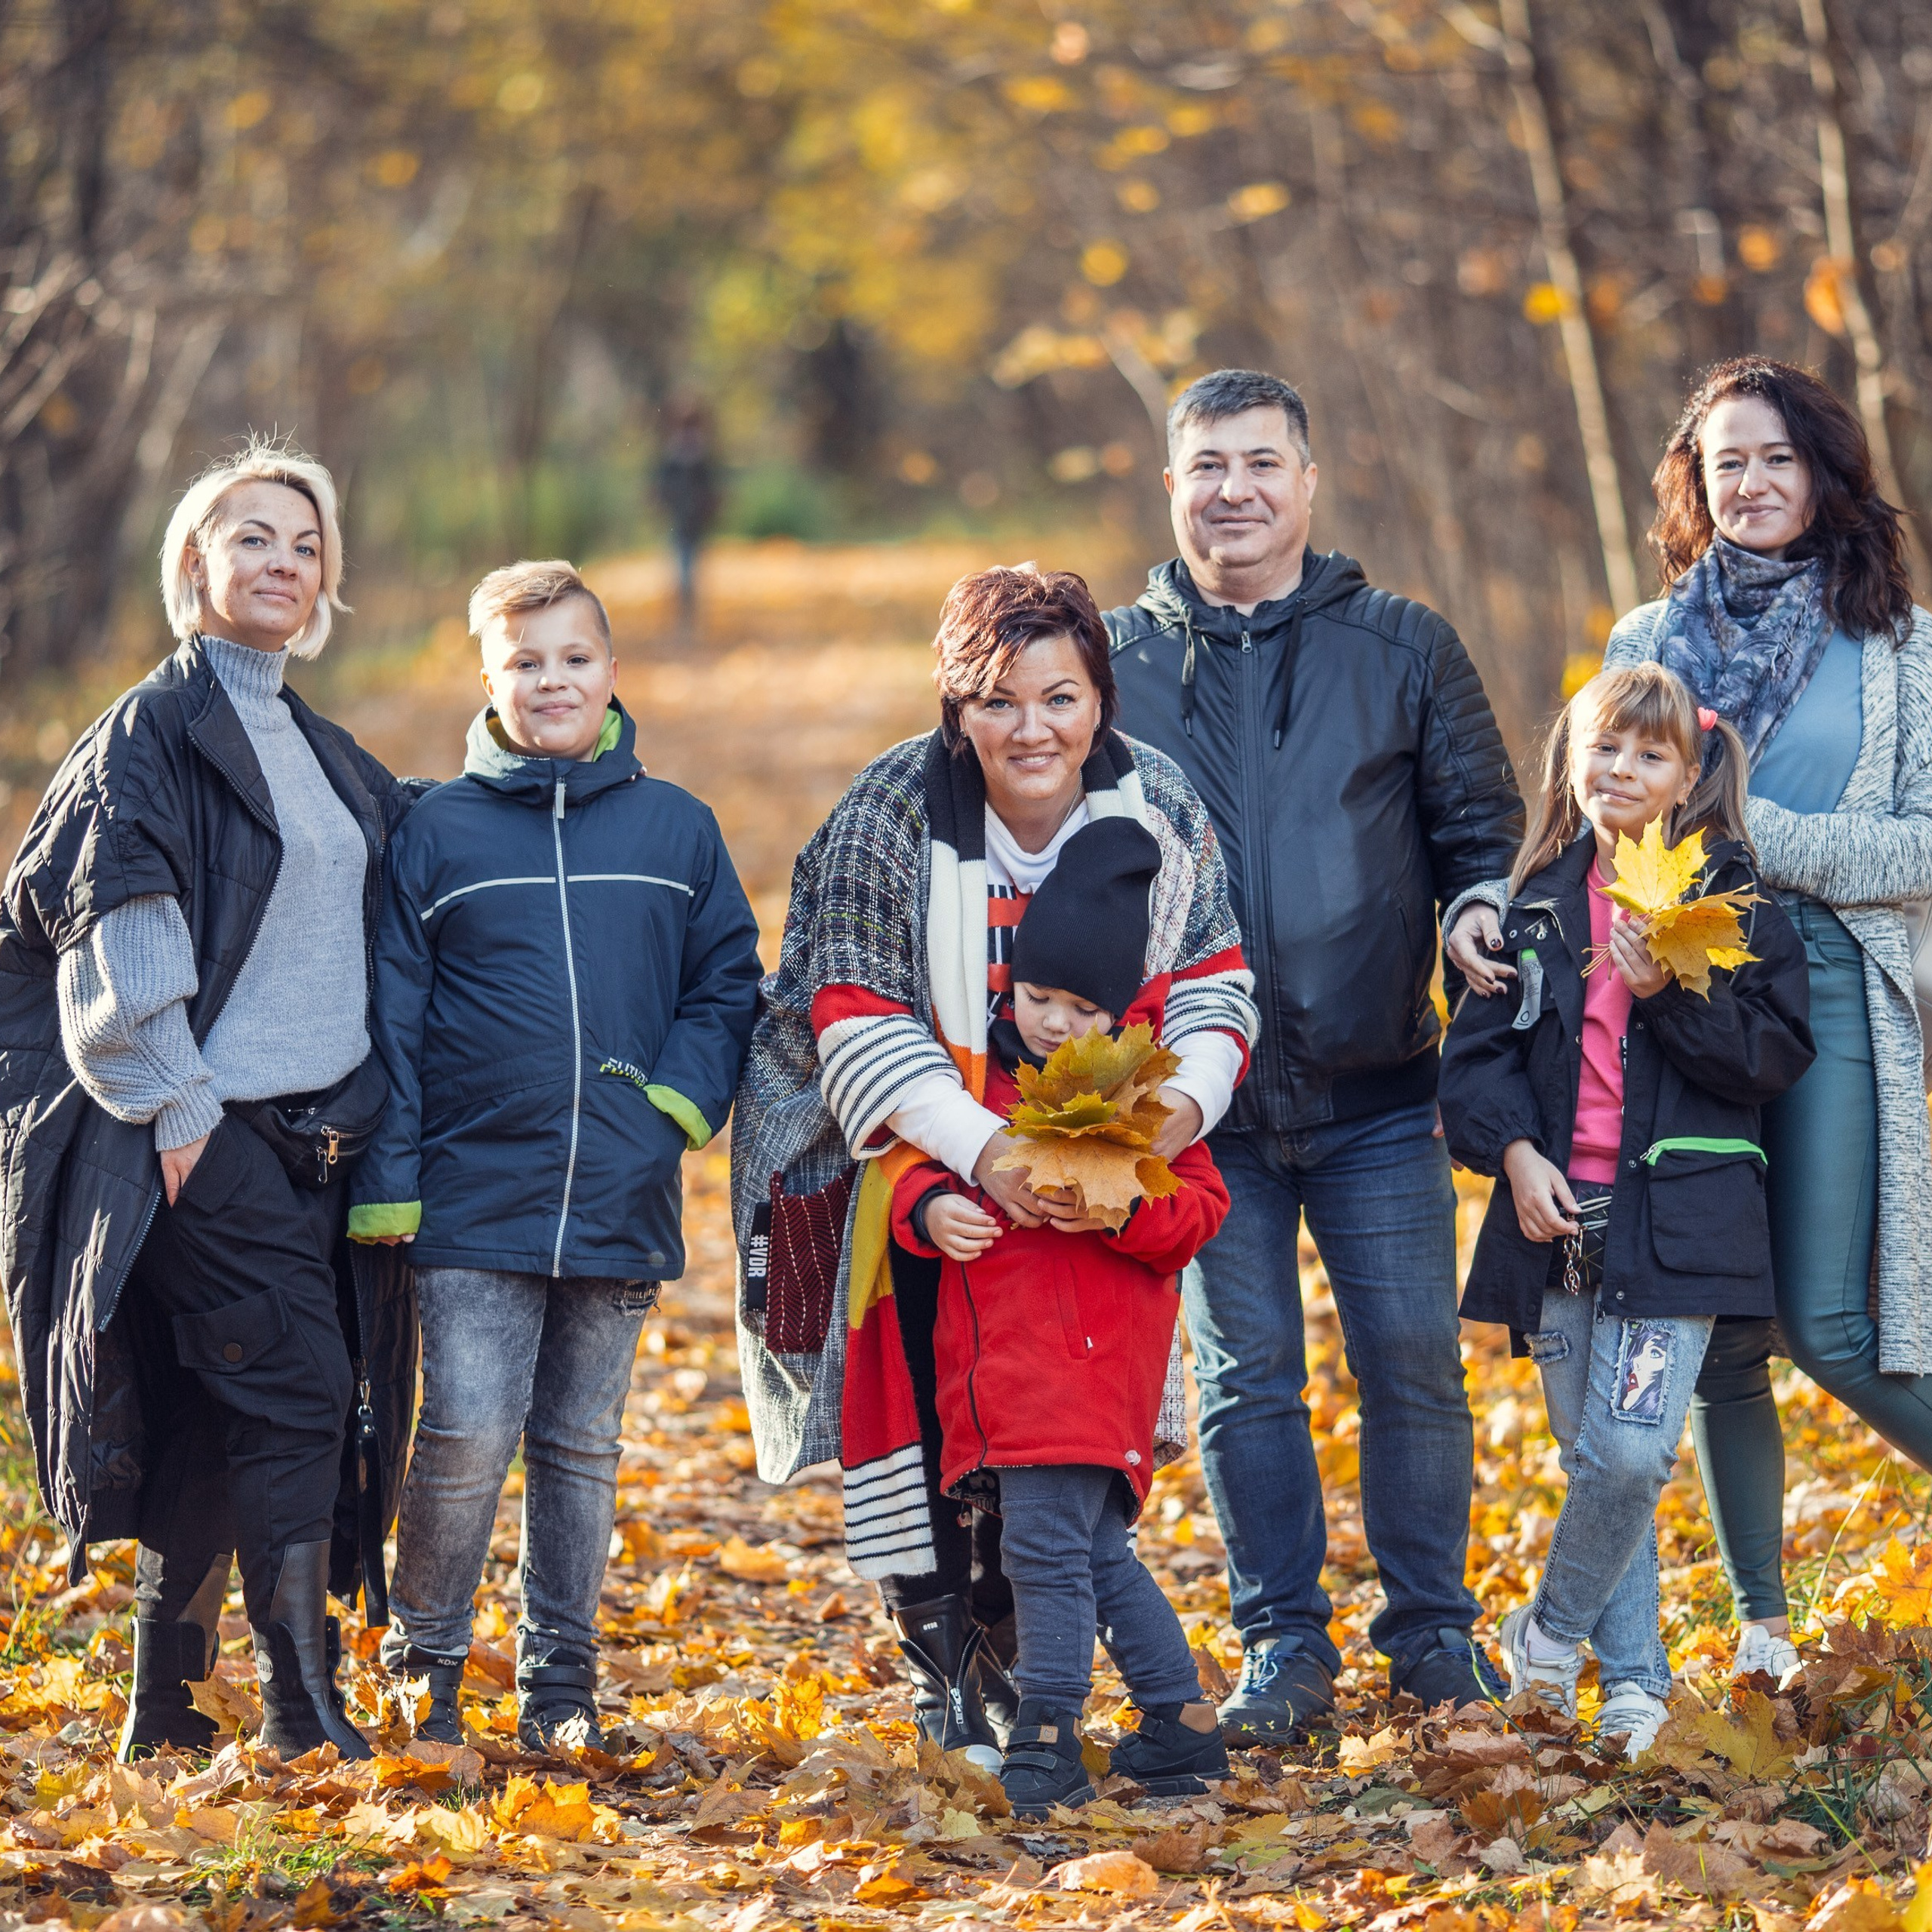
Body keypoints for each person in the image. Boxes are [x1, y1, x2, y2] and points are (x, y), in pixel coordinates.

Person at [1447, 358, 1932, 1681]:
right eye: (1728, 462)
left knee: (1830, 1328)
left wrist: (1754, 836)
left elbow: (1926, 844)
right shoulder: (1646, 644)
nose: (1755, 483)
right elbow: (1575, 823)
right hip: (1660, 1013)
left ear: (1825, 472)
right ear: (1695, 481)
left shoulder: (1896, 646)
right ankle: (1763, 1628)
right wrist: (1481, 908)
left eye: (1778, 457)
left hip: (1817, 993)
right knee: (1720, 1331)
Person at [731, 565, 1258, 1767]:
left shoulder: (1156, 806)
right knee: (922, 1413)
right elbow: (852, 1016)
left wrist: (1179, 1104)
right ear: (957, 707)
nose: (1036, 729)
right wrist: (983, 1156)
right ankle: (946, 1675)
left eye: (1062, 698)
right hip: (905, 1149)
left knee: (1051, 1441)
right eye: (1002, 702)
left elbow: (1215, 981)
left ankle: (1027, 1667)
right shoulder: (890, 814)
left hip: (1096, 1174)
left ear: (1100, 699)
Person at [1106, 368, 1524, 1737]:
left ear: (1308, 479)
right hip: (1194, 1104)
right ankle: (1283, 1646)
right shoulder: (1110, 664)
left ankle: (1432, 1635)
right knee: (1247, 1381)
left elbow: (1482, 836)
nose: (1235, 490)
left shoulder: (1403, 645)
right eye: (1208, 467)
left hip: (1376, 1088)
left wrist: (1473, 912)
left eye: (1261, 464)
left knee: (1409, 1357)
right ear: (1171, 488)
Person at [0, 438, 422, 1761]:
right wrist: (174, 1105)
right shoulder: (150, 731)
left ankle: (163, 1712)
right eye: (253, 537)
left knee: (214, 1416)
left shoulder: (320, 744)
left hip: (319, 1144)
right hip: (203, 1135)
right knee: (302, 1396)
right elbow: (113, 922)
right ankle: (302, 1712)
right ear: (194, 561)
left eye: (304, 545)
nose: (282, 563)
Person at [349, 560, 761, 1751]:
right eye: (525, 663)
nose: (552, 682)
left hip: (619, 1191)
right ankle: (421, 1662)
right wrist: (391, 1191)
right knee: (468, 1429)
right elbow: (394, 1019)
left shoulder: (674, 827)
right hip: (473, 1197)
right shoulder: (436, 833)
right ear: (487, 678)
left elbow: (725, 977)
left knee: (580, 1448)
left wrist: (671, 1112)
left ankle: (562, 1687)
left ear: (612, 672)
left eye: (574, 659)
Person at [1440, 663, 1811, 1755]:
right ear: (1571, 757)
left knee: (1632, 1455)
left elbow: (1774, 1055)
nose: (1625, 770)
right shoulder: (1538, 906)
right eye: (1606, 747)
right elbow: (1474, 1066)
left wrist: (1670, 998)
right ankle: (1637, 1686)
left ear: (1688, 776)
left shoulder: (1730, 904)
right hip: (1558, 1222)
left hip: (1680, 1224)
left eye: (1652, 755)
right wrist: (1512, 1154)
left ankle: (1549, 1637)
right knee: (1595, 1458)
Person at [889, 817, 1234, 1814]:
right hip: (1003, 1375)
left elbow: (1197, 1210)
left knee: (1044, 1554)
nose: (1052, 1023)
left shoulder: (1145, 1105)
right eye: (1038, 996)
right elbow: (917, 1169)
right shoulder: (981, 1089)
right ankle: (1180, 1724)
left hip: (1086, 1368)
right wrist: (929, 1209)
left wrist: (1123, 1201)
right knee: (1090, 1556)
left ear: (1121, 1016)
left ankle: (1046, 1730)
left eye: (1082, 1008)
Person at [655, 401, 720, 630]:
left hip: (693, 523)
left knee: (688, 573)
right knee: (684, 573)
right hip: (683, 523)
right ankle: (685, 618)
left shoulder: (697, 457)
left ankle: (688, 619)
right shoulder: (676, 456)